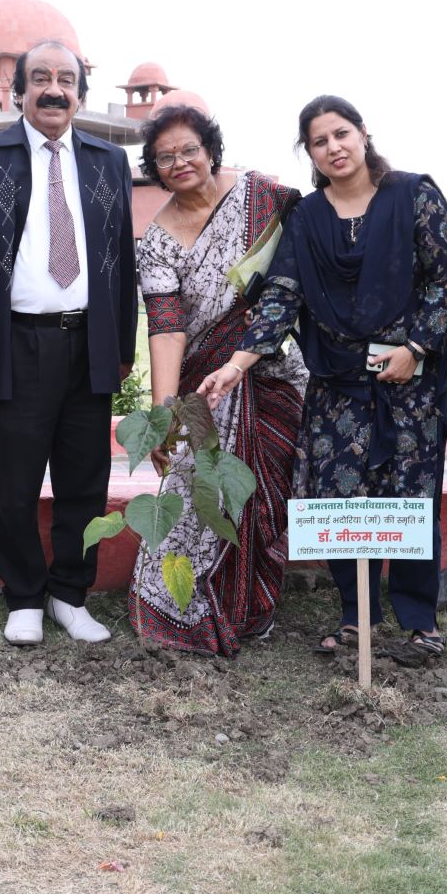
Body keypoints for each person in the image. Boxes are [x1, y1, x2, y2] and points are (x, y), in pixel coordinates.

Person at [200, 96, 447, 655]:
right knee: (342, 498)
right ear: (310, 153)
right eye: (319, 141)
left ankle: (421, 622)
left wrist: (415, 349)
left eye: (341, 134)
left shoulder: (414, 194)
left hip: (408, 383)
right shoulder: (306, 218)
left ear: (363, 133)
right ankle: (357, 618)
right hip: (338, 385)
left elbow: (444, 279)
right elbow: (282, 296)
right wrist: (236, 365)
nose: (334, 148)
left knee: (411, 498)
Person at [0, 40, 138, 645]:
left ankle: (70, 595)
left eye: (65, 79)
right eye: (40, 78)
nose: (54, 90)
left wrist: (123, 345)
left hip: (89, 340)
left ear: (79, 93)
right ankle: (25, 596)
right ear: (19, 91)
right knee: (17, 480)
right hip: (18, 342)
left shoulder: (109, 160)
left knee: (86, 478)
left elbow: (122, 258)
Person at [131, 104, 306, 655]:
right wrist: (165, 413)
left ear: (210, 151)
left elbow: (308, 265)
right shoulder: (156, 241)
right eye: (165, 158)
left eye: (189, 150)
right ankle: (192, 608)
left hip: (274, 371)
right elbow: (166, 327)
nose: (179, 162)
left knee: (267, 494)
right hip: (203, 384)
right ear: (154, 169)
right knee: (202, 492)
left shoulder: (265, 198)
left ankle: (257, 604)